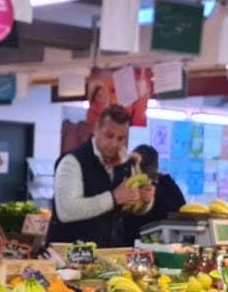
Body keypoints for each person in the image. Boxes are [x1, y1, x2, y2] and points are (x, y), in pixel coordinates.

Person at [48, 105, 154, 247]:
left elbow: (129, 208)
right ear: (96, 129)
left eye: (121, 138)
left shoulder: (126, 164)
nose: (114, 143)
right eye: (109, 136)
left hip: (110, 253)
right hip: (70, 254)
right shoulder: (72, 162)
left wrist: (144, 200)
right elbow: (66, 211)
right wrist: (113, 198)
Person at [123, 145, 186, 242]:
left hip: (129, 243)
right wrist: (166, 179)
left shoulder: (126, 189)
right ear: (156, 166)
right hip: (161, 243)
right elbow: (182, 208)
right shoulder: (163, 190)